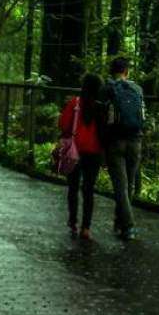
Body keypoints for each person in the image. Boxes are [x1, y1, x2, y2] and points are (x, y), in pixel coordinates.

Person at [100, 56, 145, 241]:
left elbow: (101, 119)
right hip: (135, 140)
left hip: (115, 142)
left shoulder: (106, 89)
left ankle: (128, 226)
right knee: (130, 184)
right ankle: (120, 222)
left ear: (112, 71)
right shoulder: (137, 89)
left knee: (120, 186)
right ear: (127, 71)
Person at [58, 73, 105, 240]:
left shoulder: (75, 103)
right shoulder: (102, 106)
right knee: (89, 189)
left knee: (73, 187)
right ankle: (86, 228)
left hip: (74, 151)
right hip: (95, 151)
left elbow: (62, 124)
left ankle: (73, 223)